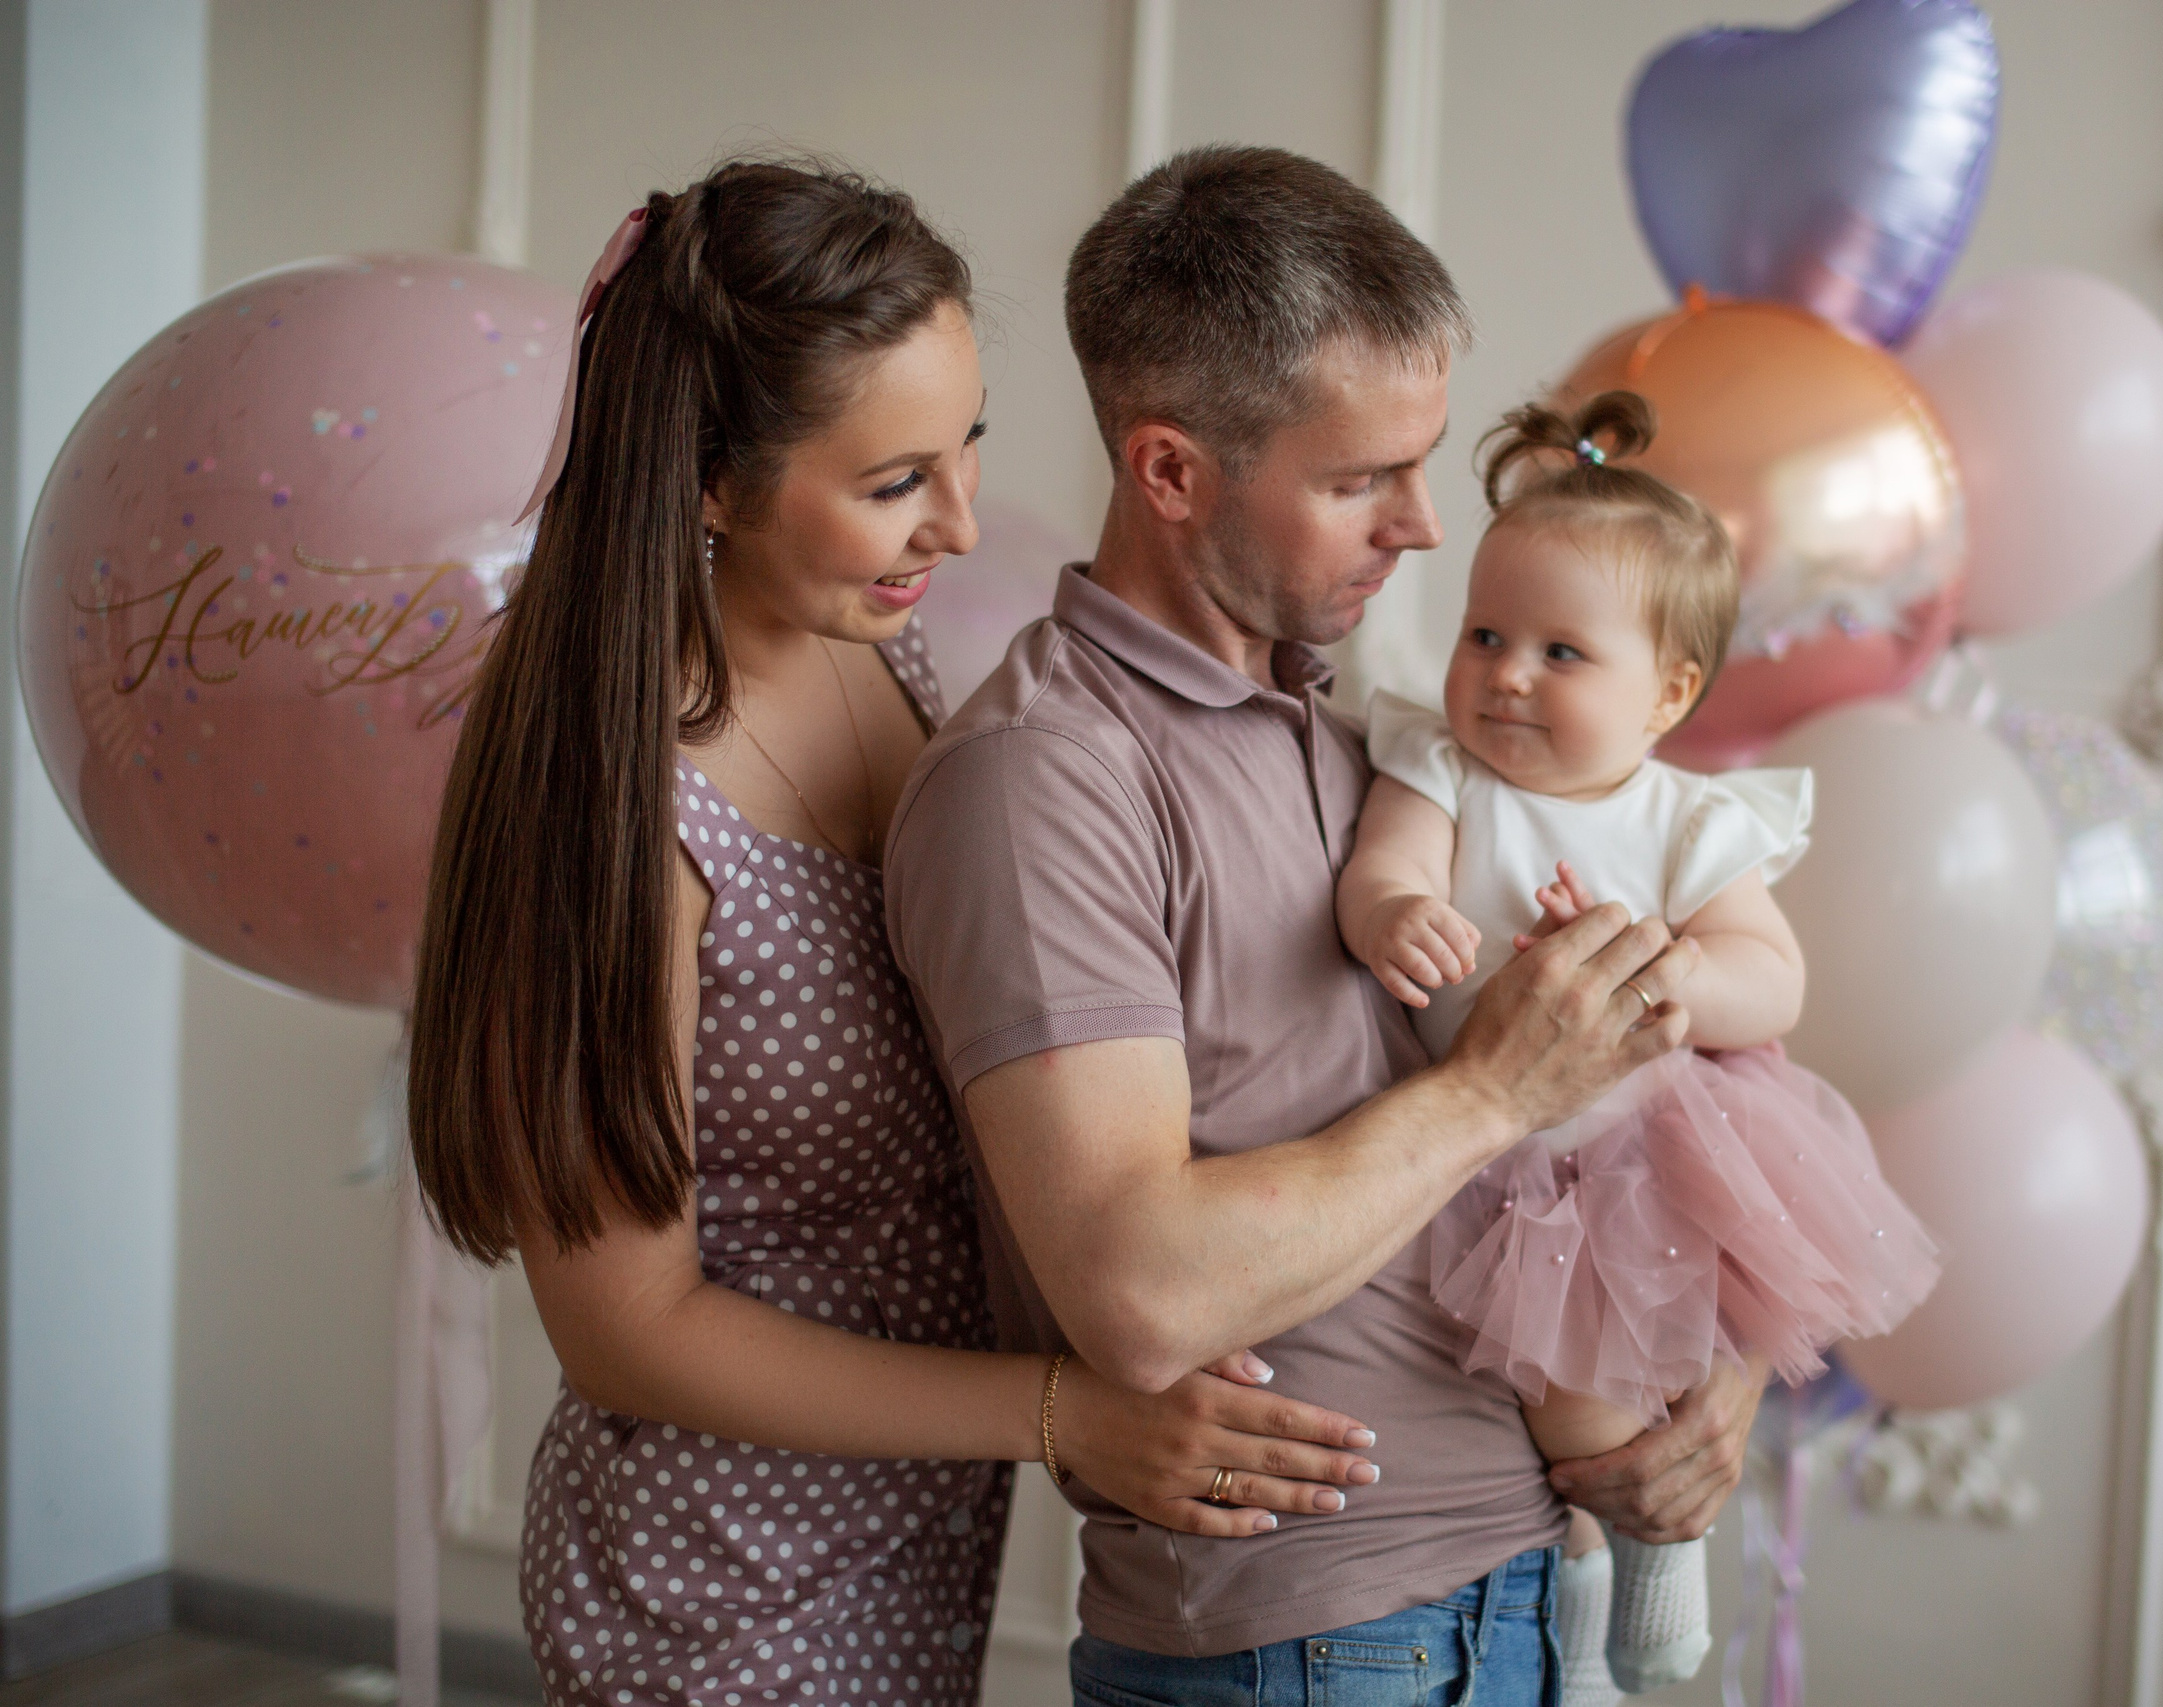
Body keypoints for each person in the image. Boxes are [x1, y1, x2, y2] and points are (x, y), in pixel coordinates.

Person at [405, 158, 1383, 1707]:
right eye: (892, 485)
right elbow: (626, 1337)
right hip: (720, 1593)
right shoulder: (618, 806)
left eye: (968, 444)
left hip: (920, 1545)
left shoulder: (884, 664)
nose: (962, 522)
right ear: (710, 484)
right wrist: (1060, 1409)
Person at [884, 147, 1764, 1707]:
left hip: (1510, 1590)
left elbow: (1666, 1092)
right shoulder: (1046, 777)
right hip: (1312, 1643)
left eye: (1422, 468)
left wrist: (1715, 1385)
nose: (1422, 528)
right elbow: (1141, 1288)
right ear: (1171, 472)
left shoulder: (1363, 741)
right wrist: (1497, 1089)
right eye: (1361, 480)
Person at [1335, 392, 1941, 1699]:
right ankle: (1588, 1583)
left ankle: (1663, 1554)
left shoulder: (1690, 824)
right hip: (1491, 1146)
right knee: (1560, 1402)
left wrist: (1673, 970)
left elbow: (1771, 978)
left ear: (1668, 692)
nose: (1507, 673)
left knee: (1640, 1378)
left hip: (1643, 1151)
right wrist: (1397, 915)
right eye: (1486, 635)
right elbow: (1387, 868)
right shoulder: (1444, 770)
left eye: (1562, 652)